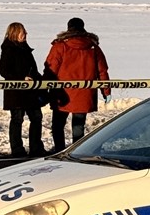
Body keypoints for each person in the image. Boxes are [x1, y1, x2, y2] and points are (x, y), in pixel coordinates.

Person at [44, 17, 111, 151]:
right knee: (78, 126)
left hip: (61, 94)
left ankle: (59, 150)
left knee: (58, 124)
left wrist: (44, 87)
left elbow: (51, 69)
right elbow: (102, 71)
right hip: (84, 93)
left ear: (68, 28)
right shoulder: (93, 47)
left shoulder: (60, 46)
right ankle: (76, 151)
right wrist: (106, 91)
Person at [0, 22, 47, 158]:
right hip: (16, 93)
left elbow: (33, 70)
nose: (26, 34)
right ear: (15, 33)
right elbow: (3, 71)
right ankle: (17, 149)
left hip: (31, 92)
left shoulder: (25, 49)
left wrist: (41, 81)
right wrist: (21, 78)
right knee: (17, 119)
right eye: (23, 32)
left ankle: (36, 147)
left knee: (37, 117)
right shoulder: (8, 49)